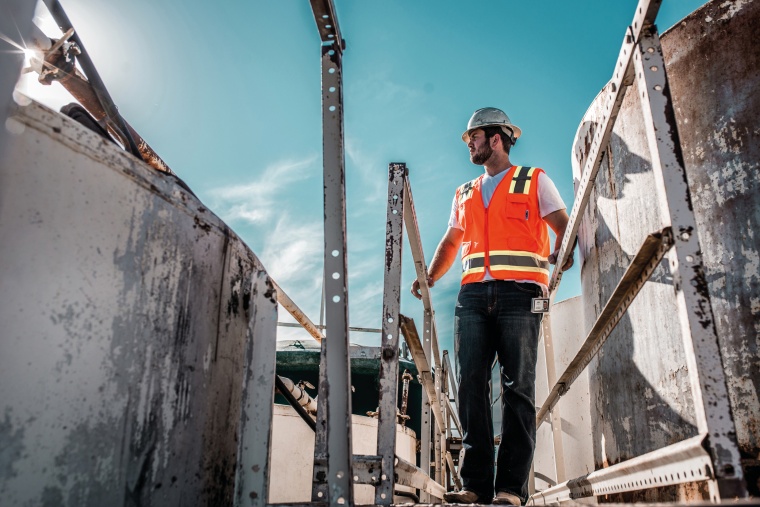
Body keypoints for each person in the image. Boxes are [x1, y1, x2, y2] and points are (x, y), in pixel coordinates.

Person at [411, 107, 574, 505]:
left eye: (474, 138)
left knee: (518, 387)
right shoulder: (464, 192)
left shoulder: (534, 180)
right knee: (469, 386)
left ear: (495, 138)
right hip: (473, 296)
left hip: (521, 294)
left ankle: (510, 490)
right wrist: (430, 275)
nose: (469, 144)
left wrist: (563, 254)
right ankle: (475, 486)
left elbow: (562, 225)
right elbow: (451, 242)